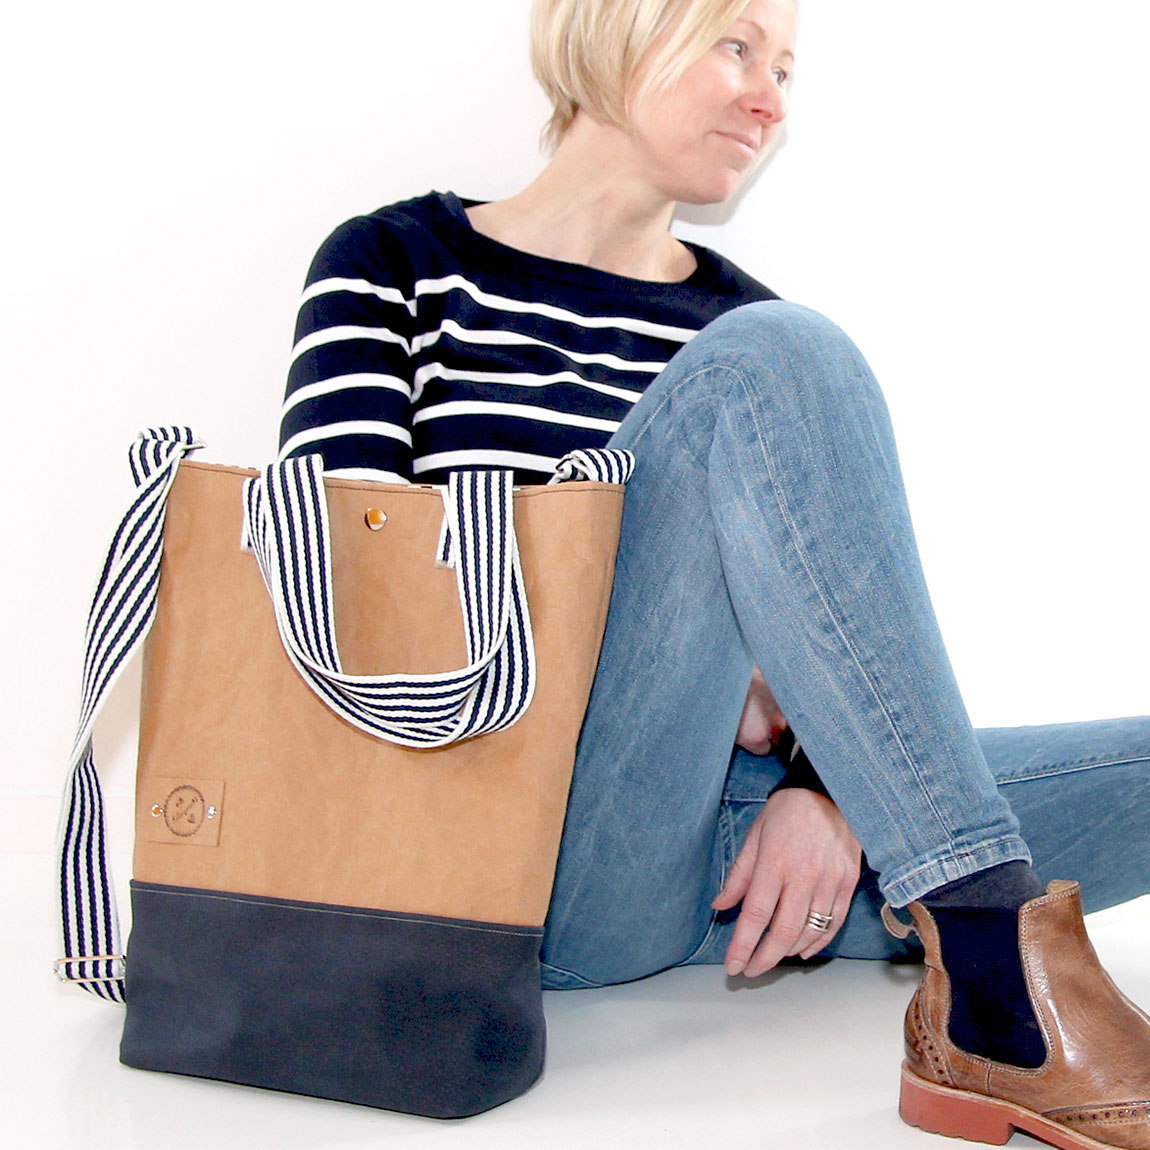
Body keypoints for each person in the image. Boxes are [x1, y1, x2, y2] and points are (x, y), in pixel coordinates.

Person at [277, 0, 1150, 1145]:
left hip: (756, 865)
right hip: (531, 853)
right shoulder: (394, 265)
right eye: (737, 47)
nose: (769, 100)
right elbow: (346, 597)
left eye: (785, 68)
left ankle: (961, 924)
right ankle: (993, 976)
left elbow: (830, 634)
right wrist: (689, 637)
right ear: (615, 29)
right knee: (780, 356)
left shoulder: (735, 317)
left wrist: (819, 786)